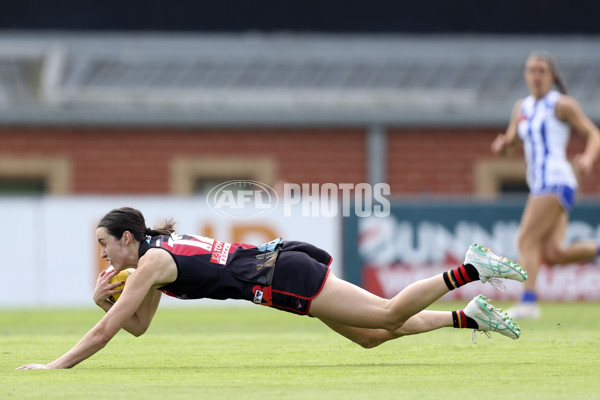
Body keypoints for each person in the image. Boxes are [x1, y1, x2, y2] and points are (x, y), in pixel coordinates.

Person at [18, 207, 527, 370]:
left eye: (106, 245)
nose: (104, 255)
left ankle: (471, 270)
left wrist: (55, 367)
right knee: (372, 335)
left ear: (127, 238)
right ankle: (472, 315)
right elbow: (138, 328)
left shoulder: (151, 262)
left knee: (390, 314)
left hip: (283, 276)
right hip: (282, 265)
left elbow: (109, 331)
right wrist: (104, 297)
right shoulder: (155, 255)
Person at [491, 50, 600, 319]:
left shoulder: (560, 104)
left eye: (542, 71)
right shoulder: (522, 108)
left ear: (551, 76)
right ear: (525, 75)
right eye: (532, 70)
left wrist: (587, 158)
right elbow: (510, 146)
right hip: (541, 182)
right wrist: (501, 147)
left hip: (555, 179)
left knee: (526, 238)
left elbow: (593, 134)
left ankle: (528, 302)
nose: (537, 76)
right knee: (553, 253)